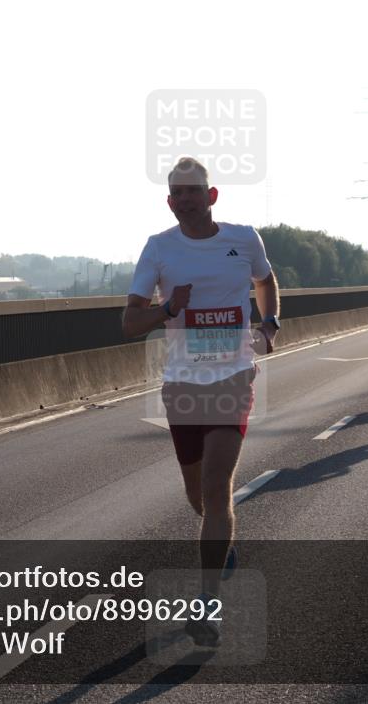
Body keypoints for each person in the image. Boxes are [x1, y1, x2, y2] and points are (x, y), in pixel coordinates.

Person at [123, 157, 280, 647]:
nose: (186, 199)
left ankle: (207, 604)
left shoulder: (244, 239)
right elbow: (129, 323)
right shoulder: (158, 248)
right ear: (169, 202)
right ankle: (222, 545)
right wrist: (169, 308)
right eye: (178, 193)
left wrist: (270, 323)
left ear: (212, 196)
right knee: (197, 497)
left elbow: (265, 281)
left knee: (216, 488)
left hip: (233, 377)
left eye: (194, 190)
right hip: (183, 385)